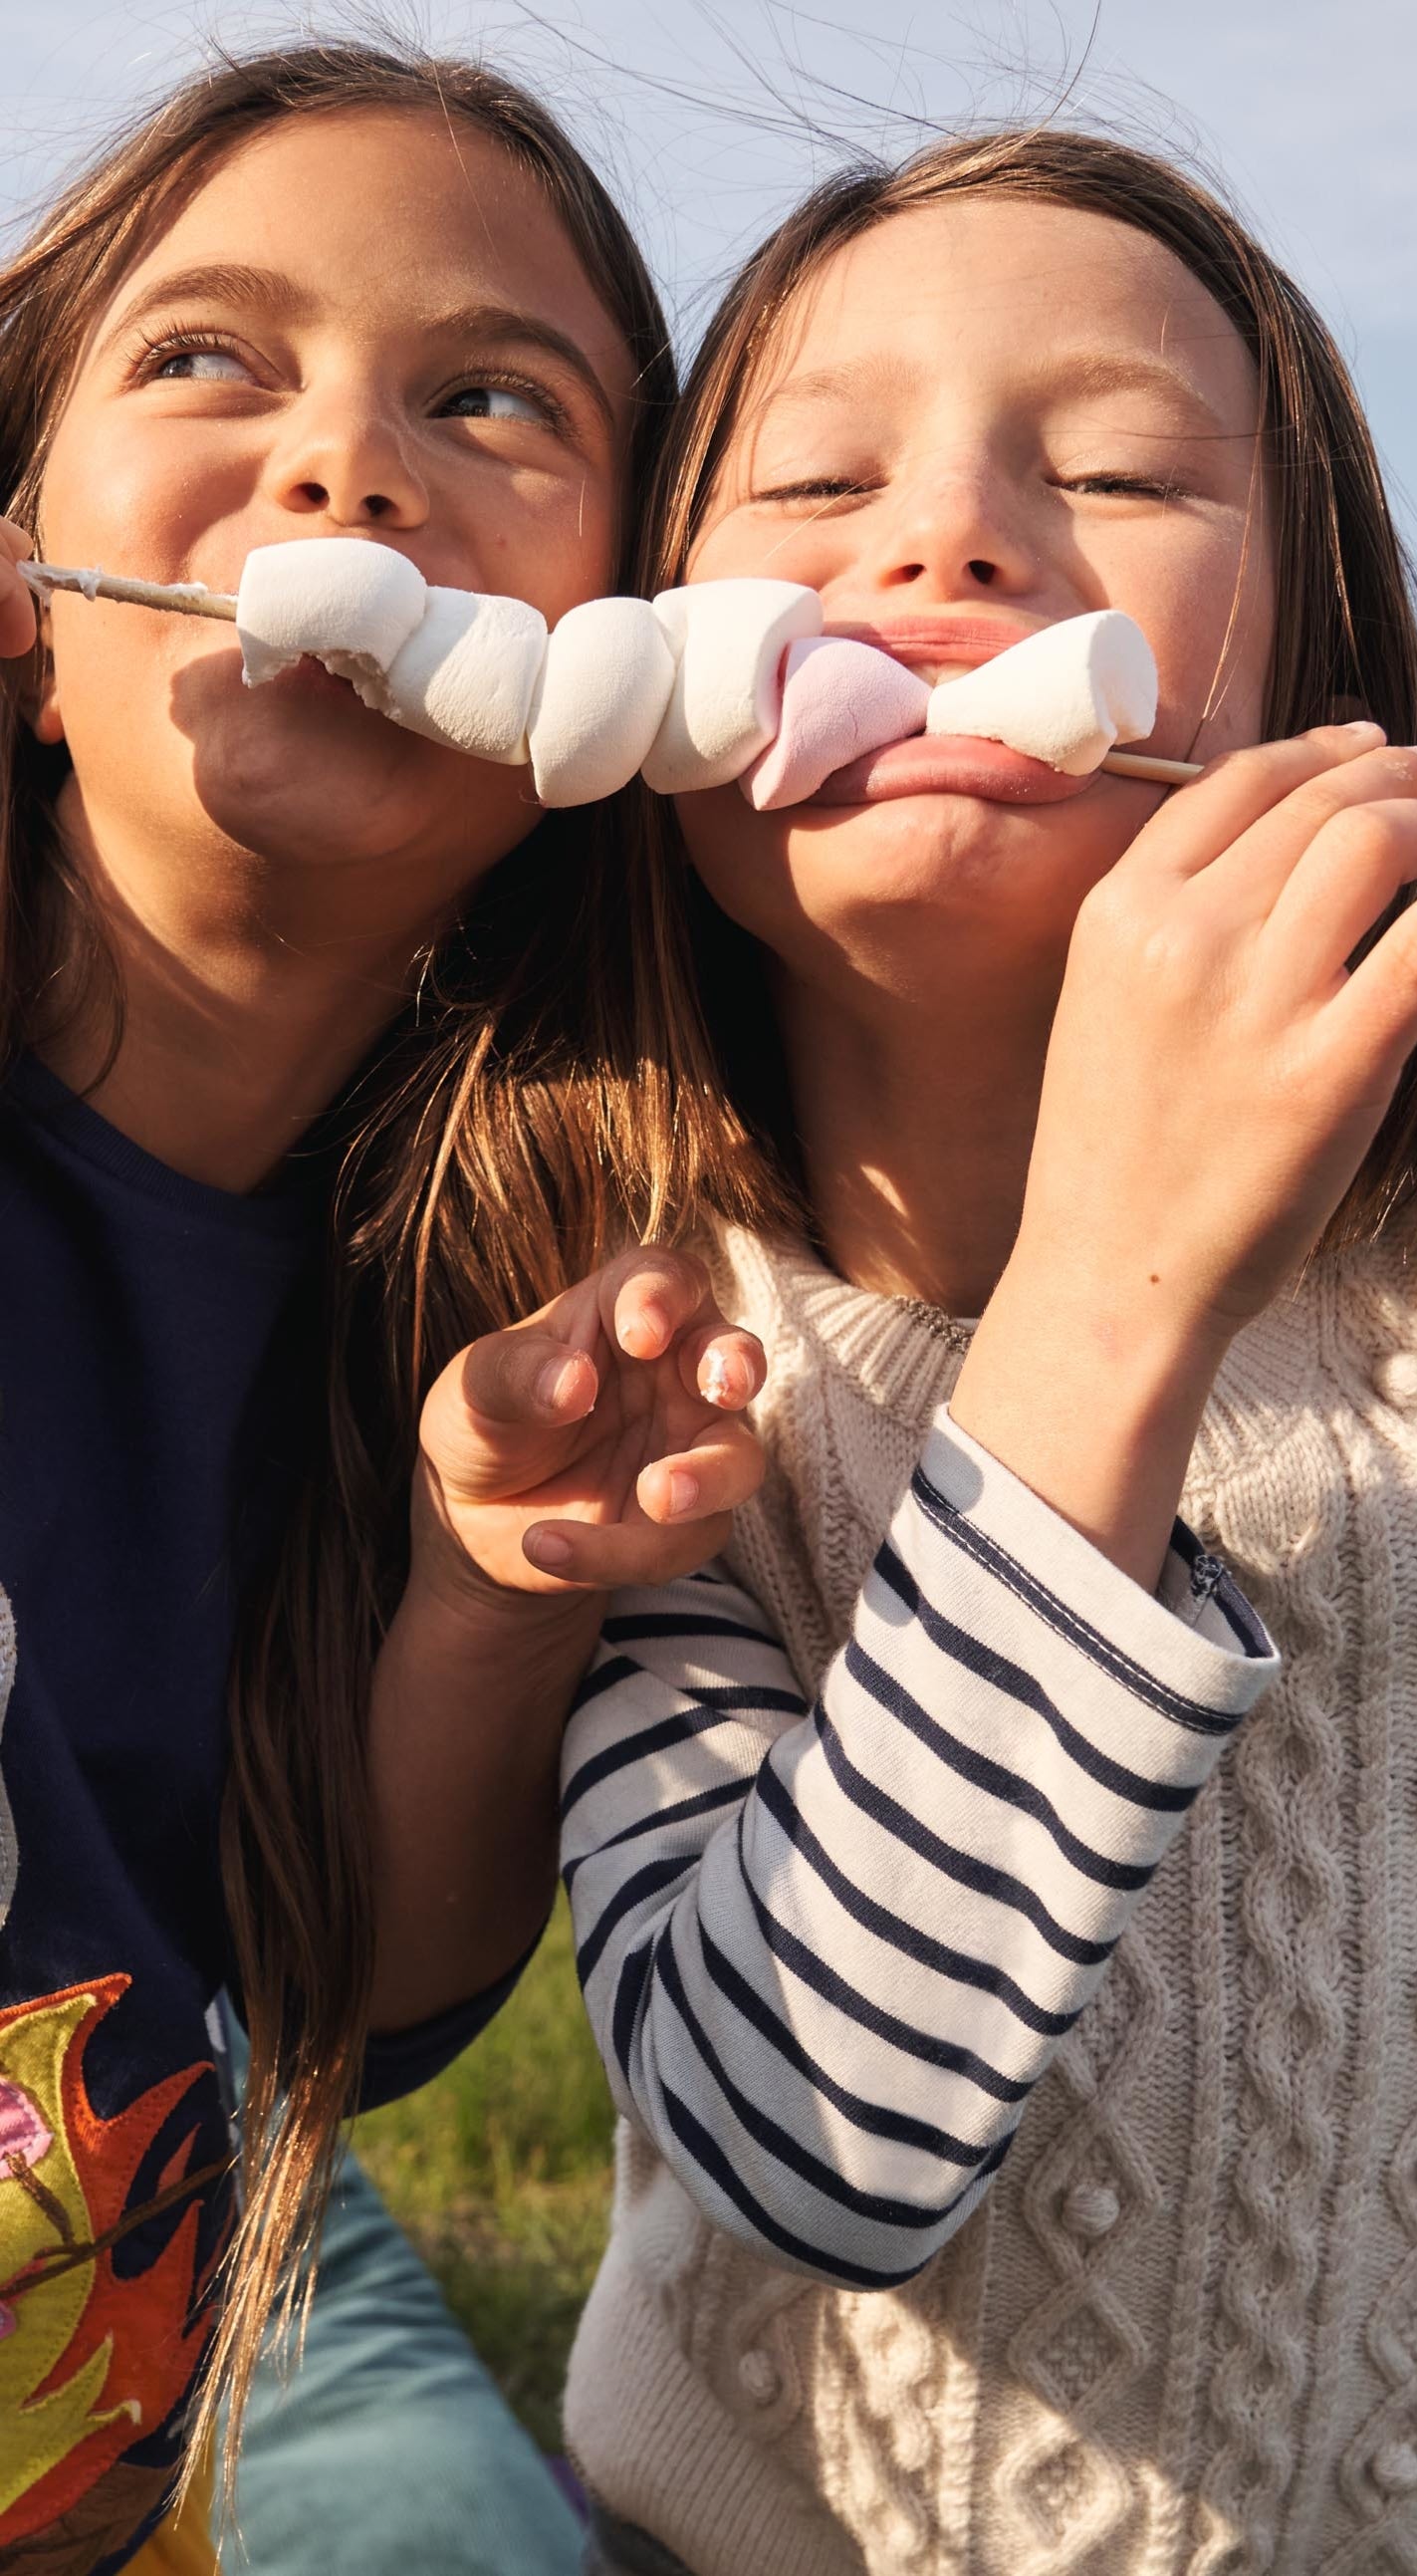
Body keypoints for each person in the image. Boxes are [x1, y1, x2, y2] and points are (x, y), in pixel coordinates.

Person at [402, 130, 1417, 2575]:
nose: (943, 549)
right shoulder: (626, 1354)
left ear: (1320, 663)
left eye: (1125, 469)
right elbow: (809, 2132)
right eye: (818, 476)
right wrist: (1119, 1284)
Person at [0, 46, 765, 2574]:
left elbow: (365, 1991)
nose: (347, 471)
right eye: (210, 359)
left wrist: (487, 1602)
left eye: (486, 401)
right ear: (26, 595)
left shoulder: (508, 1287)